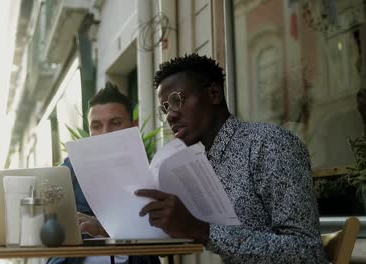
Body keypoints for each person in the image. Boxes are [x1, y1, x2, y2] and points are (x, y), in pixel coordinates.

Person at [132, 53, 329, 263]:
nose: (170, 115)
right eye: (165, 108)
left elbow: (308, 253)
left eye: (176, 100)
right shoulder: (201, 165)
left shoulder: (269, 144)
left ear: (214, 93)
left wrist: (202, 231)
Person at [48, 82, 160, 264]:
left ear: (133, 126)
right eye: (96, 126)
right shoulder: (69, 171)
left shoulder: (151, 172)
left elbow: (162, 238)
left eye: (115, 123)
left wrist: (106, 227)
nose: (105, 133)